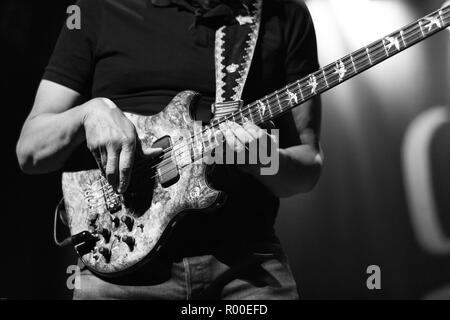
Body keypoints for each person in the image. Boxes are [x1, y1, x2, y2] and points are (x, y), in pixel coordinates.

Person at [16, 0, 323, 300]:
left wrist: (263, 159)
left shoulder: (283, 14)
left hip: (246, 269)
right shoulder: (97, 9)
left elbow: (307, 168)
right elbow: (30, 151)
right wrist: (87, 114)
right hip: (121, 268)